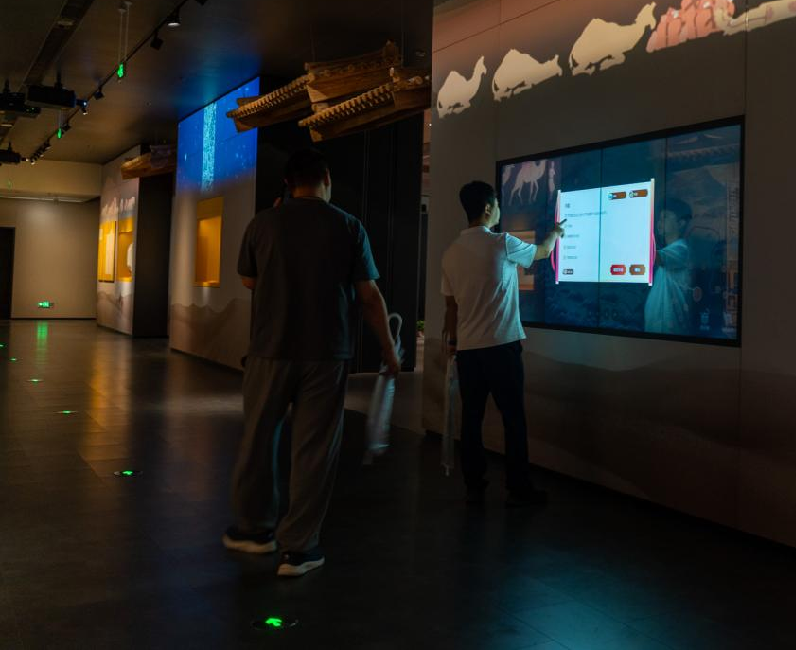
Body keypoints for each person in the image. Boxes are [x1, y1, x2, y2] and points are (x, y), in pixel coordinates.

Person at [222, 148, 400, 577]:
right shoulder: (348, 225)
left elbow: (248, 278)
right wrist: (389, 350)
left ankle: (253, 530)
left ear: (288, 183)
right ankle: (298, 549)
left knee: (258, 439)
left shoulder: (263, 222)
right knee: (314, 449)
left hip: (269, 349)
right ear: (326, 179)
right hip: (326, 352)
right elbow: (369, 295)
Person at [441, 180, 564, 505]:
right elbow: (541, 253)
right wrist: (555, 233)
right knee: (513, 418)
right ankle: (518, 486)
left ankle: (474, 481)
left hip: (468, 350)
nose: (499, 210)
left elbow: (450, 306)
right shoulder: (501, 243)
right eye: (497, 204)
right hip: (501, 347)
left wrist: (452, 343)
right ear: (487, 208)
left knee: (472, 418)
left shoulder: (451, 253)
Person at [644, 197, 693, 335]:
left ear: (680, 223)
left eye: (665, 217)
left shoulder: (681, 249)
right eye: (659, 218)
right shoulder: (669, 250)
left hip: (669, 333)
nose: (659, 222)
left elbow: (656, 257)